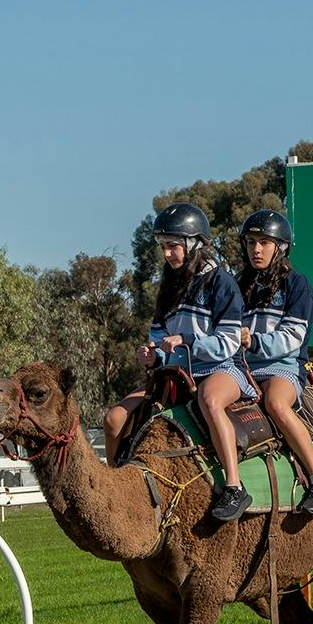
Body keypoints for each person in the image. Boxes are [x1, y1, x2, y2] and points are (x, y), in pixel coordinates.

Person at [104, 203, 253, 521]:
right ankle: (115, 490)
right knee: (115, 418)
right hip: (174, 373)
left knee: (210, 400)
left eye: (173, 246)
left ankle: (234, 486)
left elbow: (228, 342)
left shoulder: (221, 283)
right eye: (163, 247)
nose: (167, 254)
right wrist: (152, 354)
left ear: (195, 243)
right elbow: (159, 338)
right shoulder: (169, 286)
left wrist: (188, 342)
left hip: (222, 369)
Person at [238, 208, 313, 515]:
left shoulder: (297, 285)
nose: (256, 249)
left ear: (281, 247)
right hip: (241, 370)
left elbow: (292, 338)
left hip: (283, 368)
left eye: (264, 242)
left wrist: (252, 341)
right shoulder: (237, 284)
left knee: (276, 404)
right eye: (251, 241)